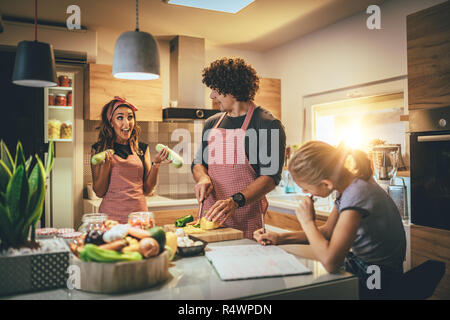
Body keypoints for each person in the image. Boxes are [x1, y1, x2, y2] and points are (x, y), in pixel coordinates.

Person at [253, 141, 406, 299]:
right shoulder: (348, 187)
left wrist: (307, 222)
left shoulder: (356, 195)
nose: (305, 192)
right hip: (365, 268)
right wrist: (279, 238)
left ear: (325, 184)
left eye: (305, 188)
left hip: (378, 278)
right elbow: (327, 232)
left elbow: (330, 262)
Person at [192, 58, 286, 239]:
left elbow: (270, 177)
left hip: (247, 221)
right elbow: (198, 163)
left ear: (231, 88)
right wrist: (203, 177)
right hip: (210, 220)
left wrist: (235, 201)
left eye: (216, 90)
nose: (212, 96)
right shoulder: (212, 123)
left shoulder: (268, 124)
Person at [91, 96, 170, 223]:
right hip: (111, 218)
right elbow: (99, 192)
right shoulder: (99, 150)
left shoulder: (142, 149)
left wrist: (157, 164)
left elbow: (148, 190)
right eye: (120, 118)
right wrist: (106, 166)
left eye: (130, 117)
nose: (126, 123)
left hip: (139, 217)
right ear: (111, 122)